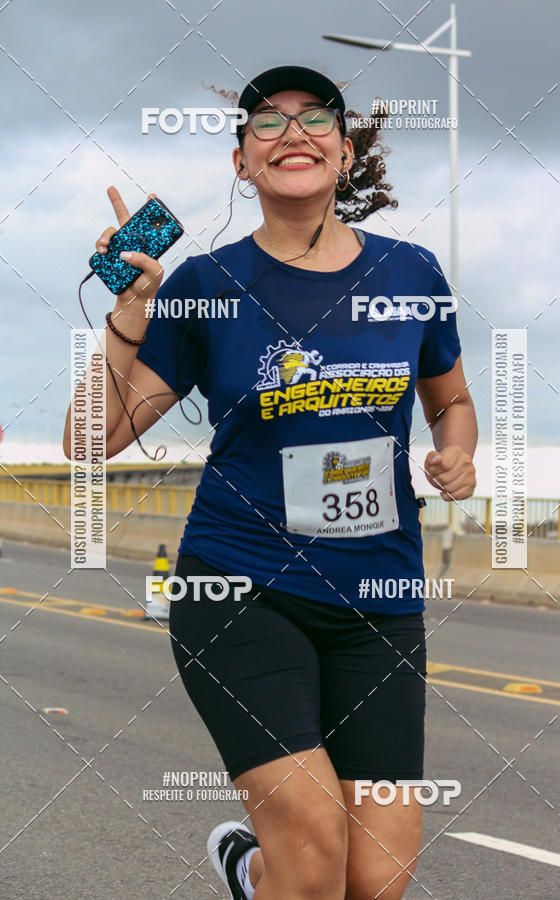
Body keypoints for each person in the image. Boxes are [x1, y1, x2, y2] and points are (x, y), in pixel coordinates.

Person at [64, 65, 477, 900]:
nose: (293, 130)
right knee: (316, 852)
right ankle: (273, 867)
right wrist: (129, 310)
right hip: (241, 586)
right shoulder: (206, 287)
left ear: (347, 151)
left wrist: (456, 453)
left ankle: (250, 872)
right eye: (267, 122)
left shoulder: (412, 276)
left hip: (379, 597)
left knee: (381, 879)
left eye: (316, 116)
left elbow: (454, 398)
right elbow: (89, 441)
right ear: (241, 163)